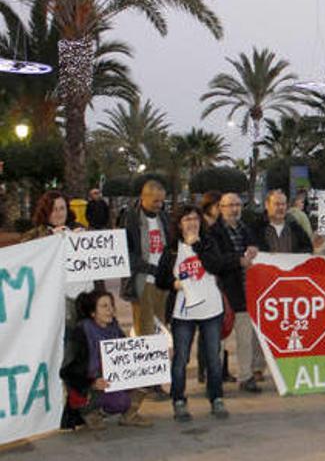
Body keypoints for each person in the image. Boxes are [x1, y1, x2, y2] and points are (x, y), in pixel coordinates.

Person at [156, 205, 238, 422]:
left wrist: (199, 246)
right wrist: (174, 284)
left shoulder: (209, 243)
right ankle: (179, 400)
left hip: (211, 309)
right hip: (183, 313)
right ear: (179, 224)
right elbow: (160, 279)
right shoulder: (172, 249)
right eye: (186, 219)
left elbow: (216, 266)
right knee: (181, 357)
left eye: (195, 219)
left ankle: (216, 397)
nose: (192, 223)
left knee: (213, 355)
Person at [60, 289, 152, 430]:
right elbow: (68, 371)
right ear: (93, 313)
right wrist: (92, 383)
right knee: (120, 401)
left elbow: (128, 355)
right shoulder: (81, 332)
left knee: (149, 374)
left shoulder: (114, 328)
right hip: (88, 388)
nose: (110, 310)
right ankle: (92, 413)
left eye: (111, 305)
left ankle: (129, 415)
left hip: (111, 381)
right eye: (104, 306)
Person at [209, 192, 263, 392]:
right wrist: (237, 260)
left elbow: (256, 249)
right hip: (221, 292)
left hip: (244, 292)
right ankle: (214, 380)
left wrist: (255, 249)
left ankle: (246, 376)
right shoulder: (213, 232)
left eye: (238, 205)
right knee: (218, 340)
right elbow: (215, 261)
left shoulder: (246, 229)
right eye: (230, 205)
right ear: (220, 208)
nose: (234, 209)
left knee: (245, 337)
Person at [22, 191, 91, 334]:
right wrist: (50, 237)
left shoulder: (79, 229)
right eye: (53, 209)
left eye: (62, 208)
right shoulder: (35, 234)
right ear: (46, 212)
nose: (59, 213)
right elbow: (25, 254)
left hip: (82, 297)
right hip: (51, 298)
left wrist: (86, 240)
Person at [121, 179, 171, 338]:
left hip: (162, 281)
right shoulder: (131, 218)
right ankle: (146, 360)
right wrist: (149, 268)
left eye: (162, 201)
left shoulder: (163, 217)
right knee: (144, 327)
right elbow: (126, 252)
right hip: (142, 280)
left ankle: (161, 359)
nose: (159, 205)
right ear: (144, 197)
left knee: (162, 325)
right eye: (156, 201)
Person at [196, 190, 234, 384]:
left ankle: (221, 369)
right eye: (218, 206)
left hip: (219, 282)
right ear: (210, 206)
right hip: (203, 283)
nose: (221, 210)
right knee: (207, 329)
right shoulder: (200, 227)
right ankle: (205, 370)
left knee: (221, 328)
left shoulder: (220, 227)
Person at [251, 190, 313, 254]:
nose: (281, 208)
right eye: (277, 204)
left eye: (283, 204)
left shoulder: (295, 228)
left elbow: (307, 249)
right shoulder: (255, 229)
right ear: (267, 205)